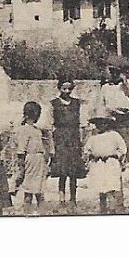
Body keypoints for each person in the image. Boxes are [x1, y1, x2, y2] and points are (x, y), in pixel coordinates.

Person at [49, 77, 86, 212]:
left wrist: (81, 141)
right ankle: (61, 198)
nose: (67, 91)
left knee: (73, 171)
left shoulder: (77, 103)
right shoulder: (53, 104)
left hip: (74, 139)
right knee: (62, 170)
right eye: (64, 88)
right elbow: (49, 125)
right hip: (61, 139)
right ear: (59, 88)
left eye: (69, 88)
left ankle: (73, 198)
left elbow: (82, 124)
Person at [11, 100, 50, 213]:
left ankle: (41, 212)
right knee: (29, 191)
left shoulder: (37, 130)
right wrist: (21, 166)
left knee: (40, 190)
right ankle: (27, 212)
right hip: (30, 161)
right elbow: (21, 150)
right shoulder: (23, 130)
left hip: (39, 162)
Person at [84, 114, 127, 214]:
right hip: (98, 164)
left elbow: (123, 149)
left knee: (111, 186)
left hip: (111, 163)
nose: (100, 126)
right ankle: (102, 207)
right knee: (101, 187)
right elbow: (87, 149)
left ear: (107, 124)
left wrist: (116, 155)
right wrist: (91, 155)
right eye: (98, 123)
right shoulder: (93, 137)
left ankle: (113, 208)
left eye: (102, 123)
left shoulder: (114, 135)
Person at [97, 65, 129, 132]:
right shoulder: (105, 87)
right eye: (112, 72)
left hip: (128, 117)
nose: (115, 75)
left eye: (117, 72)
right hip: (113, 117)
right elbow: (101, 105)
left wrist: (126, 84)